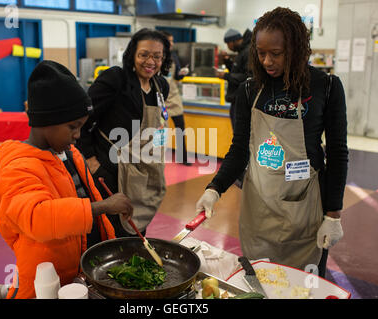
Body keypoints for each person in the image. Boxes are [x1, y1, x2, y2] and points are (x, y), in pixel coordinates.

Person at [195, 7, 349, 277]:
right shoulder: (249, 89)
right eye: (261, 53)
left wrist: (333, 215)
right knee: (261, 283)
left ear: (297, 48)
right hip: (260, 208)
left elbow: (337, 153)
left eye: (276, 54)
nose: (267, 61)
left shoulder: (325, 87)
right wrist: (214, 188)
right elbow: (240, 149)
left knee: (304, 288)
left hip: (306, 208)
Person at [0, 60, 133, 299]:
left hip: (77, 268)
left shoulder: (69, 153)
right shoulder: (18, 166)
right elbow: (38, 216)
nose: (78, 135)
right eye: (73, 127)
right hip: (44, 277)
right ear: (46, 122)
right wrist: (104, 207)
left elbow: (83, 195)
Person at [76, 28, 171, 238]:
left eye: (157, 56)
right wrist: (91, 159)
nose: (150, 61)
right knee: (110, 232)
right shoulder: (116, 79)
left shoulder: (160, 86)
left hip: (144, 172)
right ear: (132, 55)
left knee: (137, 230)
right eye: (144, 54)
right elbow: (82, 117)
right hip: (111, 170)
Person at [160, 31, 191, 166]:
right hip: (160, 99)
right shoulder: (157, 56)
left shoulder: (174, 56)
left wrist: (182, 73)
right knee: (160, 130)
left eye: (173, 41)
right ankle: (157, 157)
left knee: (180, 128)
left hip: (173, 96)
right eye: (170, 41)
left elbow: (176, 76)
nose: (172, 44)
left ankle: (182, 157)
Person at [218, 28, 253, 128]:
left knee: (240, 133)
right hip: (237, 99)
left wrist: (225, 76)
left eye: (228, 44)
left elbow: (248, 76)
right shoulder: (242, 51)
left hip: (242, 101)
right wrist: (227, 61)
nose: (228, 47)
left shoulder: (247, 52)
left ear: (234, 41)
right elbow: (238, 71)